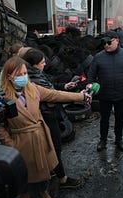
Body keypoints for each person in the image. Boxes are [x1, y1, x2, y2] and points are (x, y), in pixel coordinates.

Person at [0, 56, 91, 198]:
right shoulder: (2, 98)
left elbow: (56, 95)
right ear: (9, 76)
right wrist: (10, 143)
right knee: (23, 174)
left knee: (44, 169)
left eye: (25, 73)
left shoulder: (33, 88)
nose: (23, 77)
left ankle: (43, 192)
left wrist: (81, 96)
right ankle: (25, 195)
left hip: (40, 137)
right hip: (21, 141)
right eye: (19, 75)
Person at [20, 47, 82, 189]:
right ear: (34, 64)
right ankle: (62, 179)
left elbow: (50, 89)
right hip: (46, 117)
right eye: (42, 62)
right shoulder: (33, 78)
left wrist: (65, 86)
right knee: (54, 148)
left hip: (49, 114)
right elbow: (52, 95)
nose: (44, 64)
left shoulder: (37, 74)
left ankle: (51, 170)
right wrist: (80, 97)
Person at [87, 30, 123, 152]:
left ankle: (119, 140)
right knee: (104, 119)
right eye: (104, 43)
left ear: (117, 41)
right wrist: (89, 91)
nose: (106, 45)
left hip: (121, 94)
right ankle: (103, 140)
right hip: (104, 95)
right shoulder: (99, 57)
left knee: (119, 119)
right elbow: (91, 76)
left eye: (109, 42)